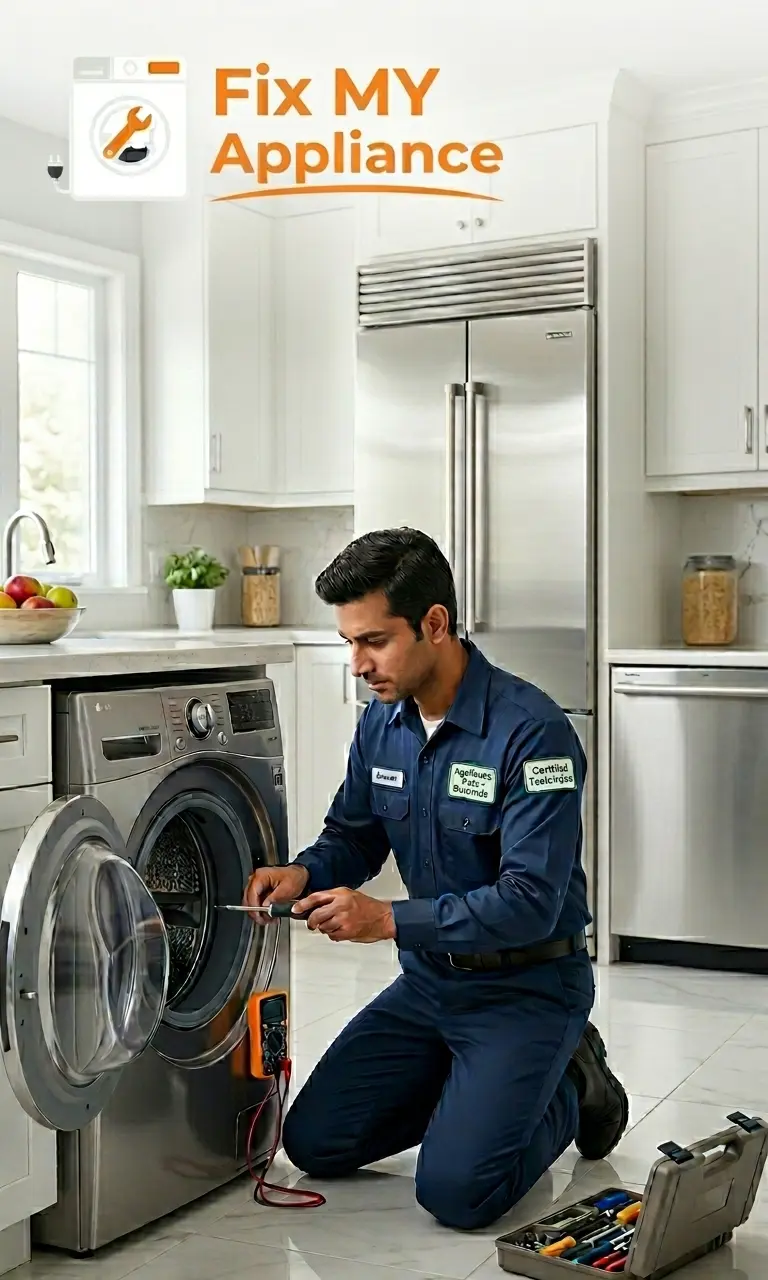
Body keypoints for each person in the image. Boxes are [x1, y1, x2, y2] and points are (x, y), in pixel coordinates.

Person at [245, 528, 627, 1231]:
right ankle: (480, 1090)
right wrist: (302, 873)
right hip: (428, 986)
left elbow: (531, 904)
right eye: (349, 643)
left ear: (435, 624)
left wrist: (387, 920)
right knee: (314, 1143)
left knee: (456, 1195)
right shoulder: (381, 724)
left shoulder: (532, 732)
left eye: (374, 641)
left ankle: (574, 1079)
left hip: (526, 991)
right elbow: (353, 834)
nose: (358, 664)